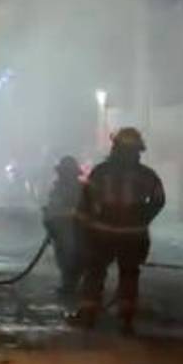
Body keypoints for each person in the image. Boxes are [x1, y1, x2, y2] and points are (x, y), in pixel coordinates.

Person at [71, 127, 165, 335]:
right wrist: (143, 217)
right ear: (138, 151)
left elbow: (85, 202)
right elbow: (158, 200)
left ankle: (88, 316)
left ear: (115, 148)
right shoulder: (147, 175)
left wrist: (82, 226)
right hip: (133, 236)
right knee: (129, 275)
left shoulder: (100, 172)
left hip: (102, 233)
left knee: (95, 272)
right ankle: (126, 320)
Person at [43, 155, 85, 300]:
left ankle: (70, 286)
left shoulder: (81, 189)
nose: (63, 175)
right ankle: (69, 285)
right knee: (65, 258)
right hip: (63, 229)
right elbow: (51, 209)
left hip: (74, 229)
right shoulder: (58, 188)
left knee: (71, 258)